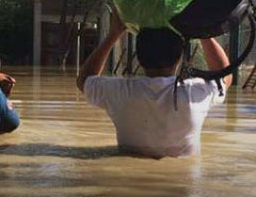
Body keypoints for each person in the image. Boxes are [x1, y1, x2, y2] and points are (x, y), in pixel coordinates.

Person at [76, 13, 231, 158]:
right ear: (179, 56)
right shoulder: (195, 93)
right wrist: (203, 33)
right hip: (185, 184)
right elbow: (225, 76)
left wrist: (113, 35)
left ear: (139, 57)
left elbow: (84, 80)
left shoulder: (119, 92)